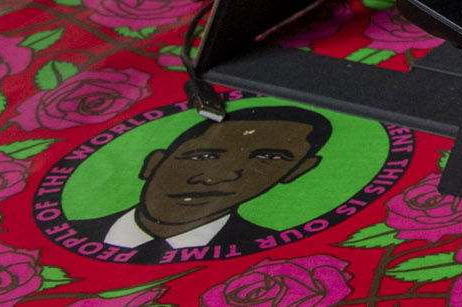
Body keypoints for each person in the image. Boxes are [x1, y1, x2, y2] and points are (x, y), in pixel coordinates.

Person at [65, 107, 331, 262]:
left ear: (296, 171)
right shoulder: (70, 238)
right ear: (152, 163)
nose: (214, 177)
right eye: (203, 156)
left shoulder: (277, 255)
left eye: (267, 158)